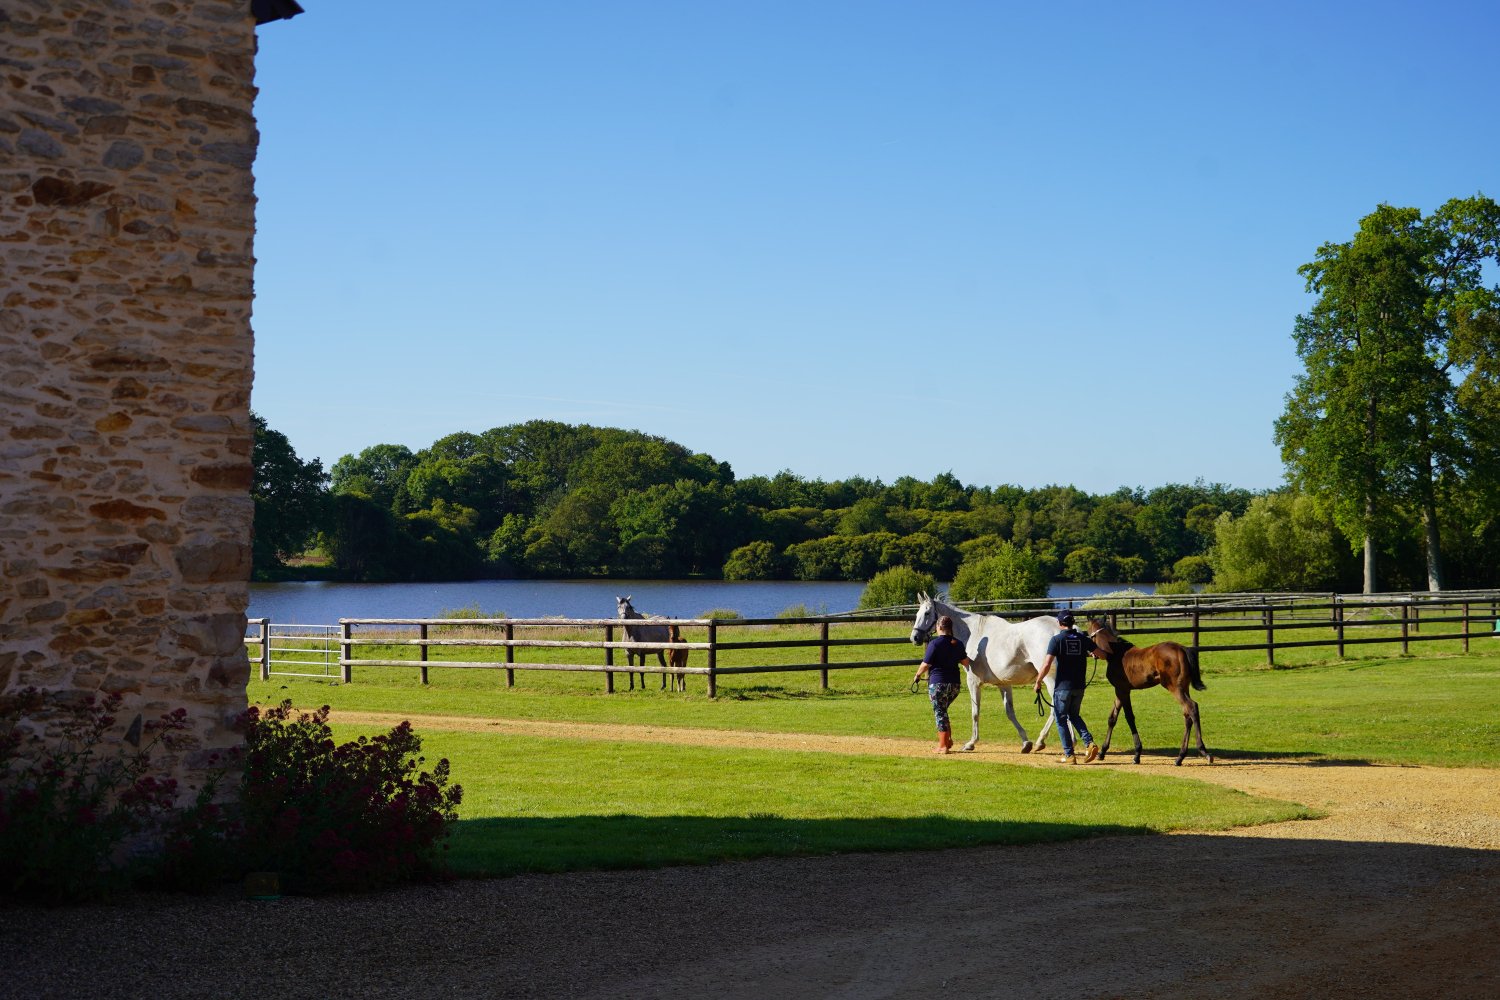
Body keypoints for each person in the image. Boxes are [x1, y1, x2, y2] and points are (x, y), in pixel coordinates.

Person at [1033, 611, 1099, 764]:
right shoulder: (1082, 639)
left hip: (1063, 686)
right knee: (1074, 716)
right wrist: (1092, 654)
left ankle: (1069, 755)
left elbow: (1047, 664)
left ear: (1059, 623)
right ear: (1073, 622)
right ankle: (1089, 743)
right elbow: (1101, 653)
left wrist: (1038, 681)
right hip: (1079, 686)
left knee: (1061, 719)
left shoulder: (1056, 640)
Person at [913, 615, 971, 754]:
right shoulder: (958, 643)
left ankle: (943, 746)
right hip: (955, 685)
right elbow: (966, 662)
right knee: (943, 711)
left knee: (939, 712)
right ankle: (948, 741)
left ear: (938, 627)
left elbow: (926, 664)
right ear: (950, 628)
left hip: (938, 684)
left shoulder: (934, 644)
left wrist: (917, 675)